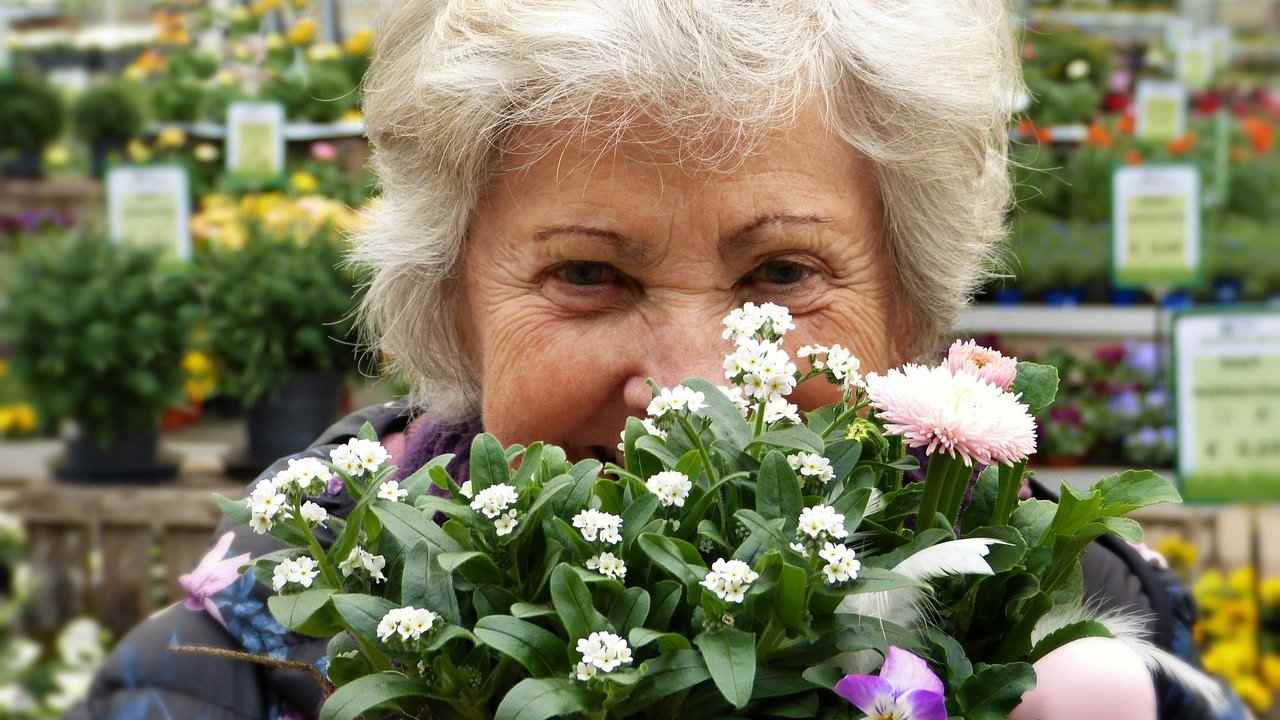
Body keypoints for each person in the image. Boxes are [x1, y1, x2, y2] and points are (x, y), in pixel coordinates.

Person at [69, 2, 1243, 718]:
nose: (688, 390)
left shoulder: (1076, 637)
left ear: (911, 313)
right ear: (450, 306)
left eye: (781, 276)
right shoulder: (216, 676)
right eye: (588, 276)